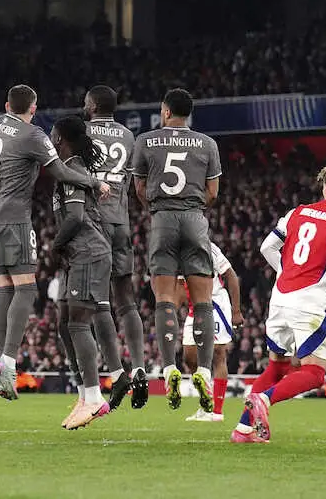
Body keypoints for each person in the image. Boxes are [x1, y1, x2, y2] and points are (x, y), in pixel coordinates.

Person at [0, 84, 109, 399]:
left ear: (7, 105)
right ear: (33, 109)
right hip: (13, 220)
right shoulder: (33, 135)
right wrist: (94, 182)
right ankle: (8, 363)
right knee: (26, 289)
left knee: (4, 289)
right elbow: (61, 172)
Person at [233, 163, 326, 443]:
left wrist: (284, 272)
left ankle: (243, 430)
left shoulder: (297, 212)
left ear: (325, 189)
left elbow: (266, 247)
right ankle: (264, 401)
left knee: (276, 367)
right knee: (316, 372)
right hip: (307, 303)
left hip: (279, 298)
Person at [132, 88, 222, 412]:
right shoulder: (208, 144)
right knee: (203, 302)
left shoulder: (145, 140)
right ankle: (204, 372)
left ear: (165, 111)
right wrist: (193, 208)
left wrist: (159, 211)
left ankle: (170, 367)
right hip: (195, 218)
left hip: (162, 219)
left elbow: (139, 188)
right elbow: (213, 192)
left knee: (165, 299)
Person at [51, 115, 126, 429]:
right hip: (82, 254)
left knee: (78, 323)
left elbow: (76, 217)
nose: (50, 138)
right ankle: (84, 395)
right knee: (64, 322)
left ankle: (95, 397)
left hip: (86, 252)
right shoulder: (71, 170)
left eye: (53, 134)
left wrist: (55, 245)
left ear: (61, 138)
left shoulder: (74, 170)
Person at [83, 84, 149, 408]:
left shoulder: (82, 132)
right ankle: (140, 367)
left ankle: (117, 372)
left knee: (98, 301)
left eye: (86, 102)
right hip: (121, 223)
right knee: (127, 300)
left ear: (93, 106)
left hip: (93, 223)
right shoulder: (128, 136)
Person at [179, 241, 243, 422]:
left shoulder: (209, 248)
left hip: (214, 303)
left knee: (217, 354)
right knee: (189, 358)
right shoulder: (175, 250)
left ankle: (217, 411)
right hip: (194, 307)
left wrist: (236, 311)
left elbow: (231, 275)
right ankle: (206, 405)